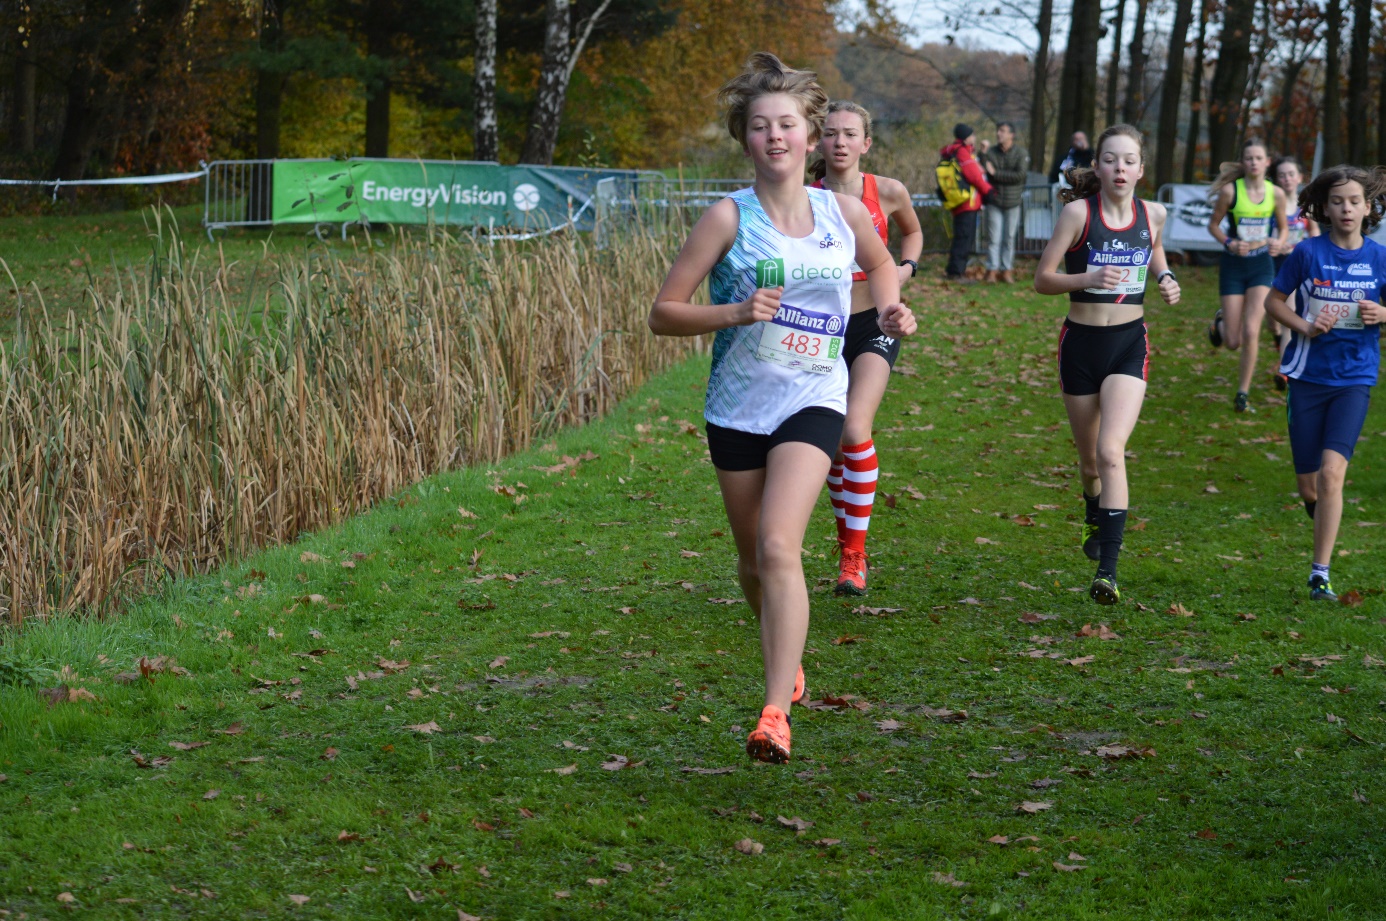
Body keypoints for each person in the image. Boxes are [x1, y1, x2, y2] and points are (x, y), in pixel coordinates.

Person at [649, 53, 916, 763]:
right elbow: (663, 314)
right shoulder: (726, 217)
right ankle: (785, 651)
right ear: (745, 139)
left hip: (813, 397)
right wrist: (734, 312)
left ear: (810, 134)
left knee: (778, 545)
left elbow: (882, 261)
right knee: (749, 563)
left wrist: (890, 304)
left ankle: (774, 712)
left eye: (788, 124)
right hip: (738, 409)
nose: (776, 137)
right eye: (761, 126)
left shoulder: (845, 211)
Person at [1033, 124, 1181, 605]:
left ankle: (1108, 572)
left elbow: (1154, 251)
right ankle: (1092, 507)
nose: (1120, 168)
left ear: (1141, 169)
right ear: (1097, 166)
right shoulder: (1078, 213)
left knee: (1111, 450)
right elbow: (1043, 279)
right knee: (1090, 461)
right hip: (1080, 343)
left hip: (1127, 343)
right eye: (1111, 159)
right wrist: (1090, 274)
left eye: (1129, 160)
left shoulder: (1154, 212)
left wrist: (1166, 276)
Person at [808, 101, 924, 595]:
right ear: (817, 141)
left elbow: (913, 233)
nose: (839, 142)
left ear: (866, 143)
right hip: (820, 326)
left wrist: (904, 270)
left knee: (855, 429)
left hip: (875, 321)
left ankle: (854, 557)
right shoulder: (804, 196)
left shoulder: (889, 192)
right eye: (830, 133)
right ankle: (845, 544)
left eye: (849, 134)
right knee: (834, 439)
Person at [1263, 164, 1386, 601]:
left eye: (1354, 201)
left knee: (1333, 475)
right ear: (1326, 208)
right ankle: (1321, 518)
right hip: (1307, 377)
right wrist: (1307, 325)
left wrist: (1383, 313)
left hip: (1354, 378)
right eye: (1338, 201)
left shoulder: (1379, 257)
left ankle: (1320, 573)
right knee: (1310, 484)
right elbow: (1272, 301)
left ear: (1368, 207)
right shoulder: (1308, 253)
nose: (1346, 208)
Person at [1204, 139, 1289, 413]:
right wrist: (1228, 243)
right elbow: (1213, 225)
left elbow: (1284, 228)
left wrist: (1278, 241)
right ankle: (1220, 323)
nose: (1253, 162)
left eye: (1258, 157)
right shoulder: (1231, 191)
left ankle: (1242, 393)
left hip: (1261, 265)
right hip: (1233, 266)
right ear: (1243, 162)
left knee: (1252, 330)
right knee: (1233, 341)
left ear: (1267, 162)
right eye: (1248, 158)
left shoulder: (1275, 193)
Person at [1267, 155, 1320, 391]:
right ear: (1276, 179)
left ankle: (1284, 370)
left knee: (1288, 312)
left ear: (1300, 178)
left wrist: (1302, 248)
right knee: (1273, 322)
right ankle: (1281, 344)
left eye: (1291, 174)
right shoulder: (1270, 203)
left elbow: (1316, 235)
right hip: (1268, 264)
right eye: (1282, 175)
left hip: (1294, 267)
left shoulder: (1305, 207)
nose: (1287, 179)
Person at [939, 123, 992, 281]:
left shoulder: (955, 151)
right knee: (964, 238)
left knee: (961, 237)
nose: (974, 137)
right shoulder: (962, 152)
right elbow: (974, 175)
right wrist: (989, 191)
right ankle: (956, 273)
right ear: (966, 136)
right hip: (967, 203)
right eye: (972, 134)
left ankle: (955, 270)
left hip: (960, 201)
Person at [980, 121, 1031, 283]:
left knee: (1009, 238)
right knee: (993, 238)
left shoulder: (1021, 153)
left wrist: (997, 174)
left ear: (1011, 135)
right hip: (995, 201)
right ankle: (992, 270)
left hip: (1013, 202)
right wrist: (982, 154)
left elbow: (1020, 175)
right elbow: (984, 171)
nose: (998, 134)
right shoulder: (992, 152)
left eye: (1002, 131)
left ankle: (1006, 269)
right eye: (998, 131)